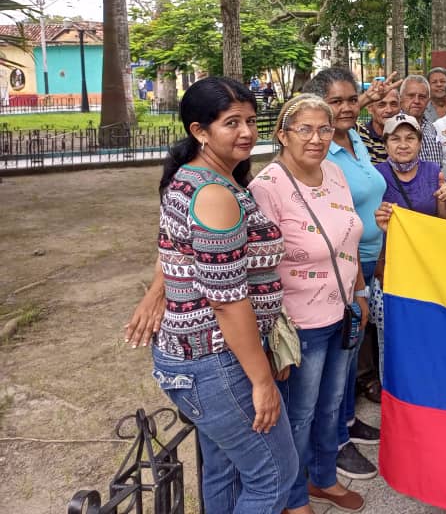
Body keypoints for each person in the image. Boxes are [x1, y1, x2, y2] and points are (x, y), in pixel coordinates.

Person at [149, 77, 297, 513]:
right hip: (215, 362)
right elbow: (226, 300)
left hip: (202, 359)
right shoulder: (214, 194)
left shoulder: (202, 180)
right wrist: (261, 380)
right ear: (200, 131)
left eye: (251, 120)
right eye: (231, 122)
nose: (247, 132)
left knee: (226, 470)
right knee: (273, 478)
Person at [250, 94, 368, 514]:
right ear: (283, 134)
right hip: (300, 325)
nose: (316, 138)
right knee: (297, 415)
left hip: (342, 312)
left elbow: (347, 239)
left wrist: (357, 294)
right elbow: (259, 270)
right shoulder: (267, 187)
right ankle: (293, 497)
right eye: (305, 129)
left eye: (324, 128)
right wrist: (270, 337)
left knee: (330, 405)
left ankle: (323, 479)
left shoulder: (334, 172)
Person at [300, 68, 383, 481]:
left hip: (366, 261)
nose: (348, 107)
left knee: (350, 355)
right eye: (337, 101)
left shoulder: (354, 140)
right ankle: (333, 442)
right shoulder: (319, 151)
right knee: (335, 361)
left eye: (353, 98)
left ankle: (347, 421)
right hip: (341, 268)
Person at [372, 113, 446, 381]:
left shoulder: (433, 171)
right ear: (385, 144)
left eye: (410, 138)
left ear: (420, 142)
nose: (403, 144)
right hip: (391, 269)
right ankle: (393, 389)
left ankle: (426, 386)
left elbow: (444, 221)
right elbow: (367, 224)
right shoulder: (376, 176)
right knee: (391, 335)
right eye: (395, 138)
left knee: (427, 330)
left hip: (427, 269)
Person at [398, 74, 444, 166]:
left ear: (428, 100)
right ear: (401, 98)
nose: (416, 101)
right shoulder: (392, 127)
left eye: (422, 97)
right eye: (411, 96)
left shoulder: (433, 127)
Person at [358, 88, 400, 165]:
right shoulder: (360, 133)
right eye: (382, 105)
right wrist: (366, 98)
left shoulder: (406, 135)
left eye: (393, 104)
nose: (389, 110)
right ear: (370, 109)